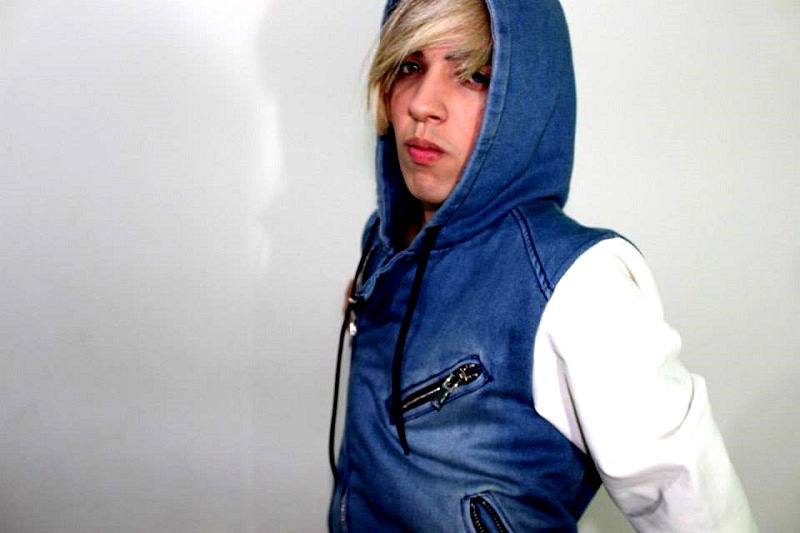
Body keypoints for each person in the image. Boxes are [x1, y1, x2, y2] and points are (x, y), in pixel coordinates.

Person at [328, 0, 756, 530]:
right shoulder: (386, 241)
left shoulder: (577, 285)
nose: (422, 104)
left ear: (525, 98)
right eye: (410, 66)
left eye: (474, 75)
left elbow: (697, 508)